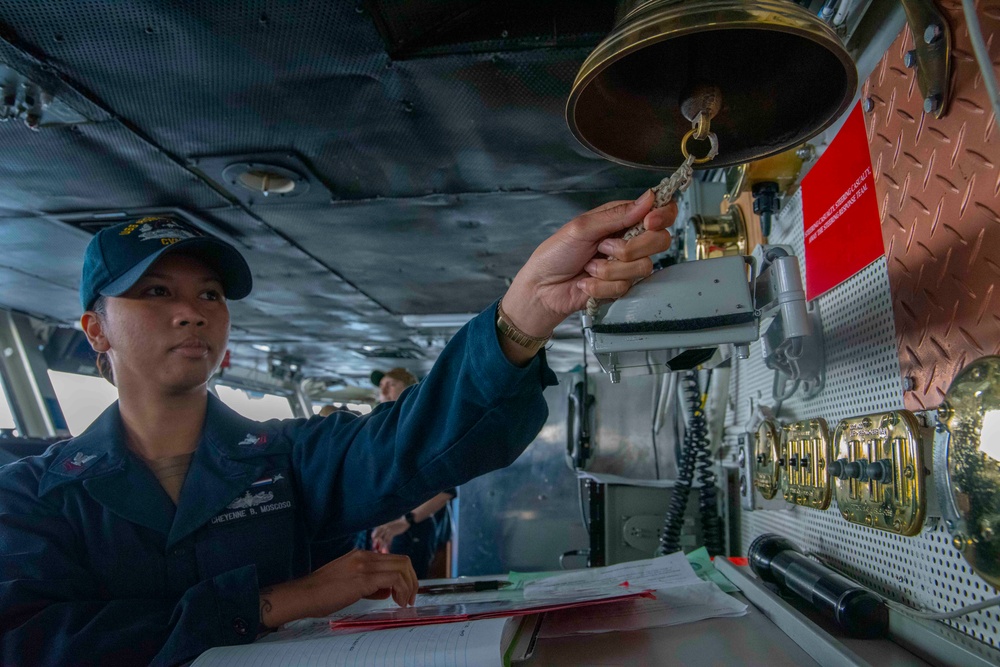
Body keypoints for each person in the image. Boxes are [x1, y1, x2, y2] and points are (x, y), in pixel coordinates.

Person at [0, 192, 675, 666]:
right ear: (95, 330)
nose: (191, 312)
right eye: (155, 293)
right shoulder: (33, 496)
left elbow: (414, 440)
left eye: (208, 294)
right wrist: (273, 602)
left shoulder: (286, 459)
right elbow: (33, 644)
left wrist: (525, 310)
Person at [361, 367, 455, 578]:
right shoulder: (378, 430)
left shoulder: (424, 430)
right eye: (381, 385)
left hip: (412, 533)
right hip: (381, 531)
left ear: (409, 391)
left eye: (391, 384)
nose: (383, 390)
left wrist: (405, 521)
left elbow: (446, 490)